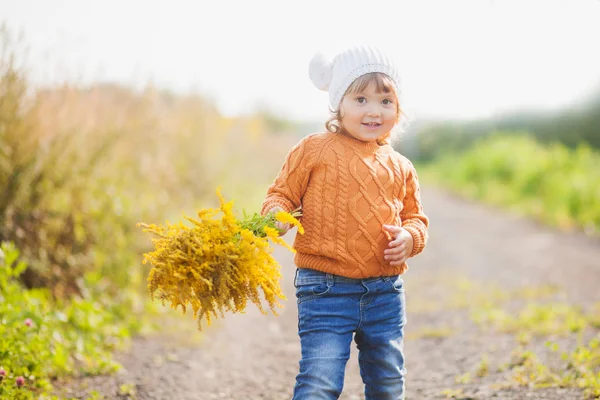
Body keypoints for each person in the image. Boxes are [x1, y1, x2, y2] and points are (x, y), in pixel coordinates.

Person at [260, 45, 429, 400]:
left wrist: (410, 238)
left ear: (398, 109)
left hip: (385, 291)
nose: (373, 111)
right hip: (325, 288)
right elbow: (281, 195)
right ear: (339, 104)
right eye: (360, 99)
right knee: (320, 379)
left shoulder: (400, 165)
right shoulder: (314, 149)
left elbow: (416, 218)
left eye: (385, 101)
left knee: (387, 381)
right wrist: (276, 218)